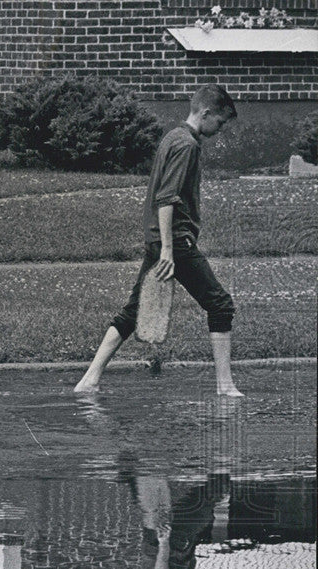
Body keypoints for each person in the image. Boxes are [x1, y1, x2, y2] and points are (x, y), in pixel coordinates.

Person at [74, 84, 243, 397]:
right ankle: (225, 386)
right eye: (219, 123)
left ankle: (89, 380)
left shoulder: (173, 136)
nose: (219, 130)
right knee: (220, 305)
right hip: (174, 244)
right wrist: (168, 250)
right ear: (205, 113)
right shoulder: (187, 145)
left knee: (133, 311)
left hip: (160, 240)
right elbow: (166, 198)